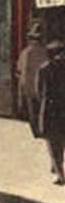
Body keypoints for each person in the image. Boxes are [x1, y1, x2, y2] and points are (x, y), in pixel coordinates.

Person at [38, 41, 65, 185]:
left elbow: (39, 91)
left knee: (54, 145)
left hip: (50, 109)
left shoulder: (44, 69)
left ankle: (60, 174)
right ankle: (57, 169)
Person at [17, 21, 49, 138]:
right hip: (43, 89)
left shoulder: (26, 53)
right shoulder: (46, 52)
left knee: (33, 114)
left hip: (30, 89)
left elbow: (22, 74)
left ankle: (37, 132)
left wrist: (21, 93)